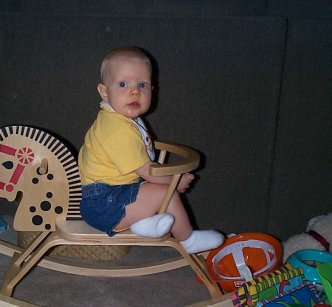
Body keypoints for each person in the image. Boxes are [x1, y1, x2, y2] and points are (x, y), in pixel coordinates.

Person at [78, 47, 224, 254]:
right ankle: (188, 239)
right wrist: (176, 180)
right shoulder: (116, 129)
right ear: (104, 92)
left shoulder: (124, 119)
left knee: (150, 190)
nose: (134, 91)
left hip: (118, 193)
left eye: (142, 85)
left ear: (152, 90)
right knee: (165, 191)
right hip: (104, 203)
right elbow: (148, 171)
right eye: (123, 84)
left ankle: (143, 224)